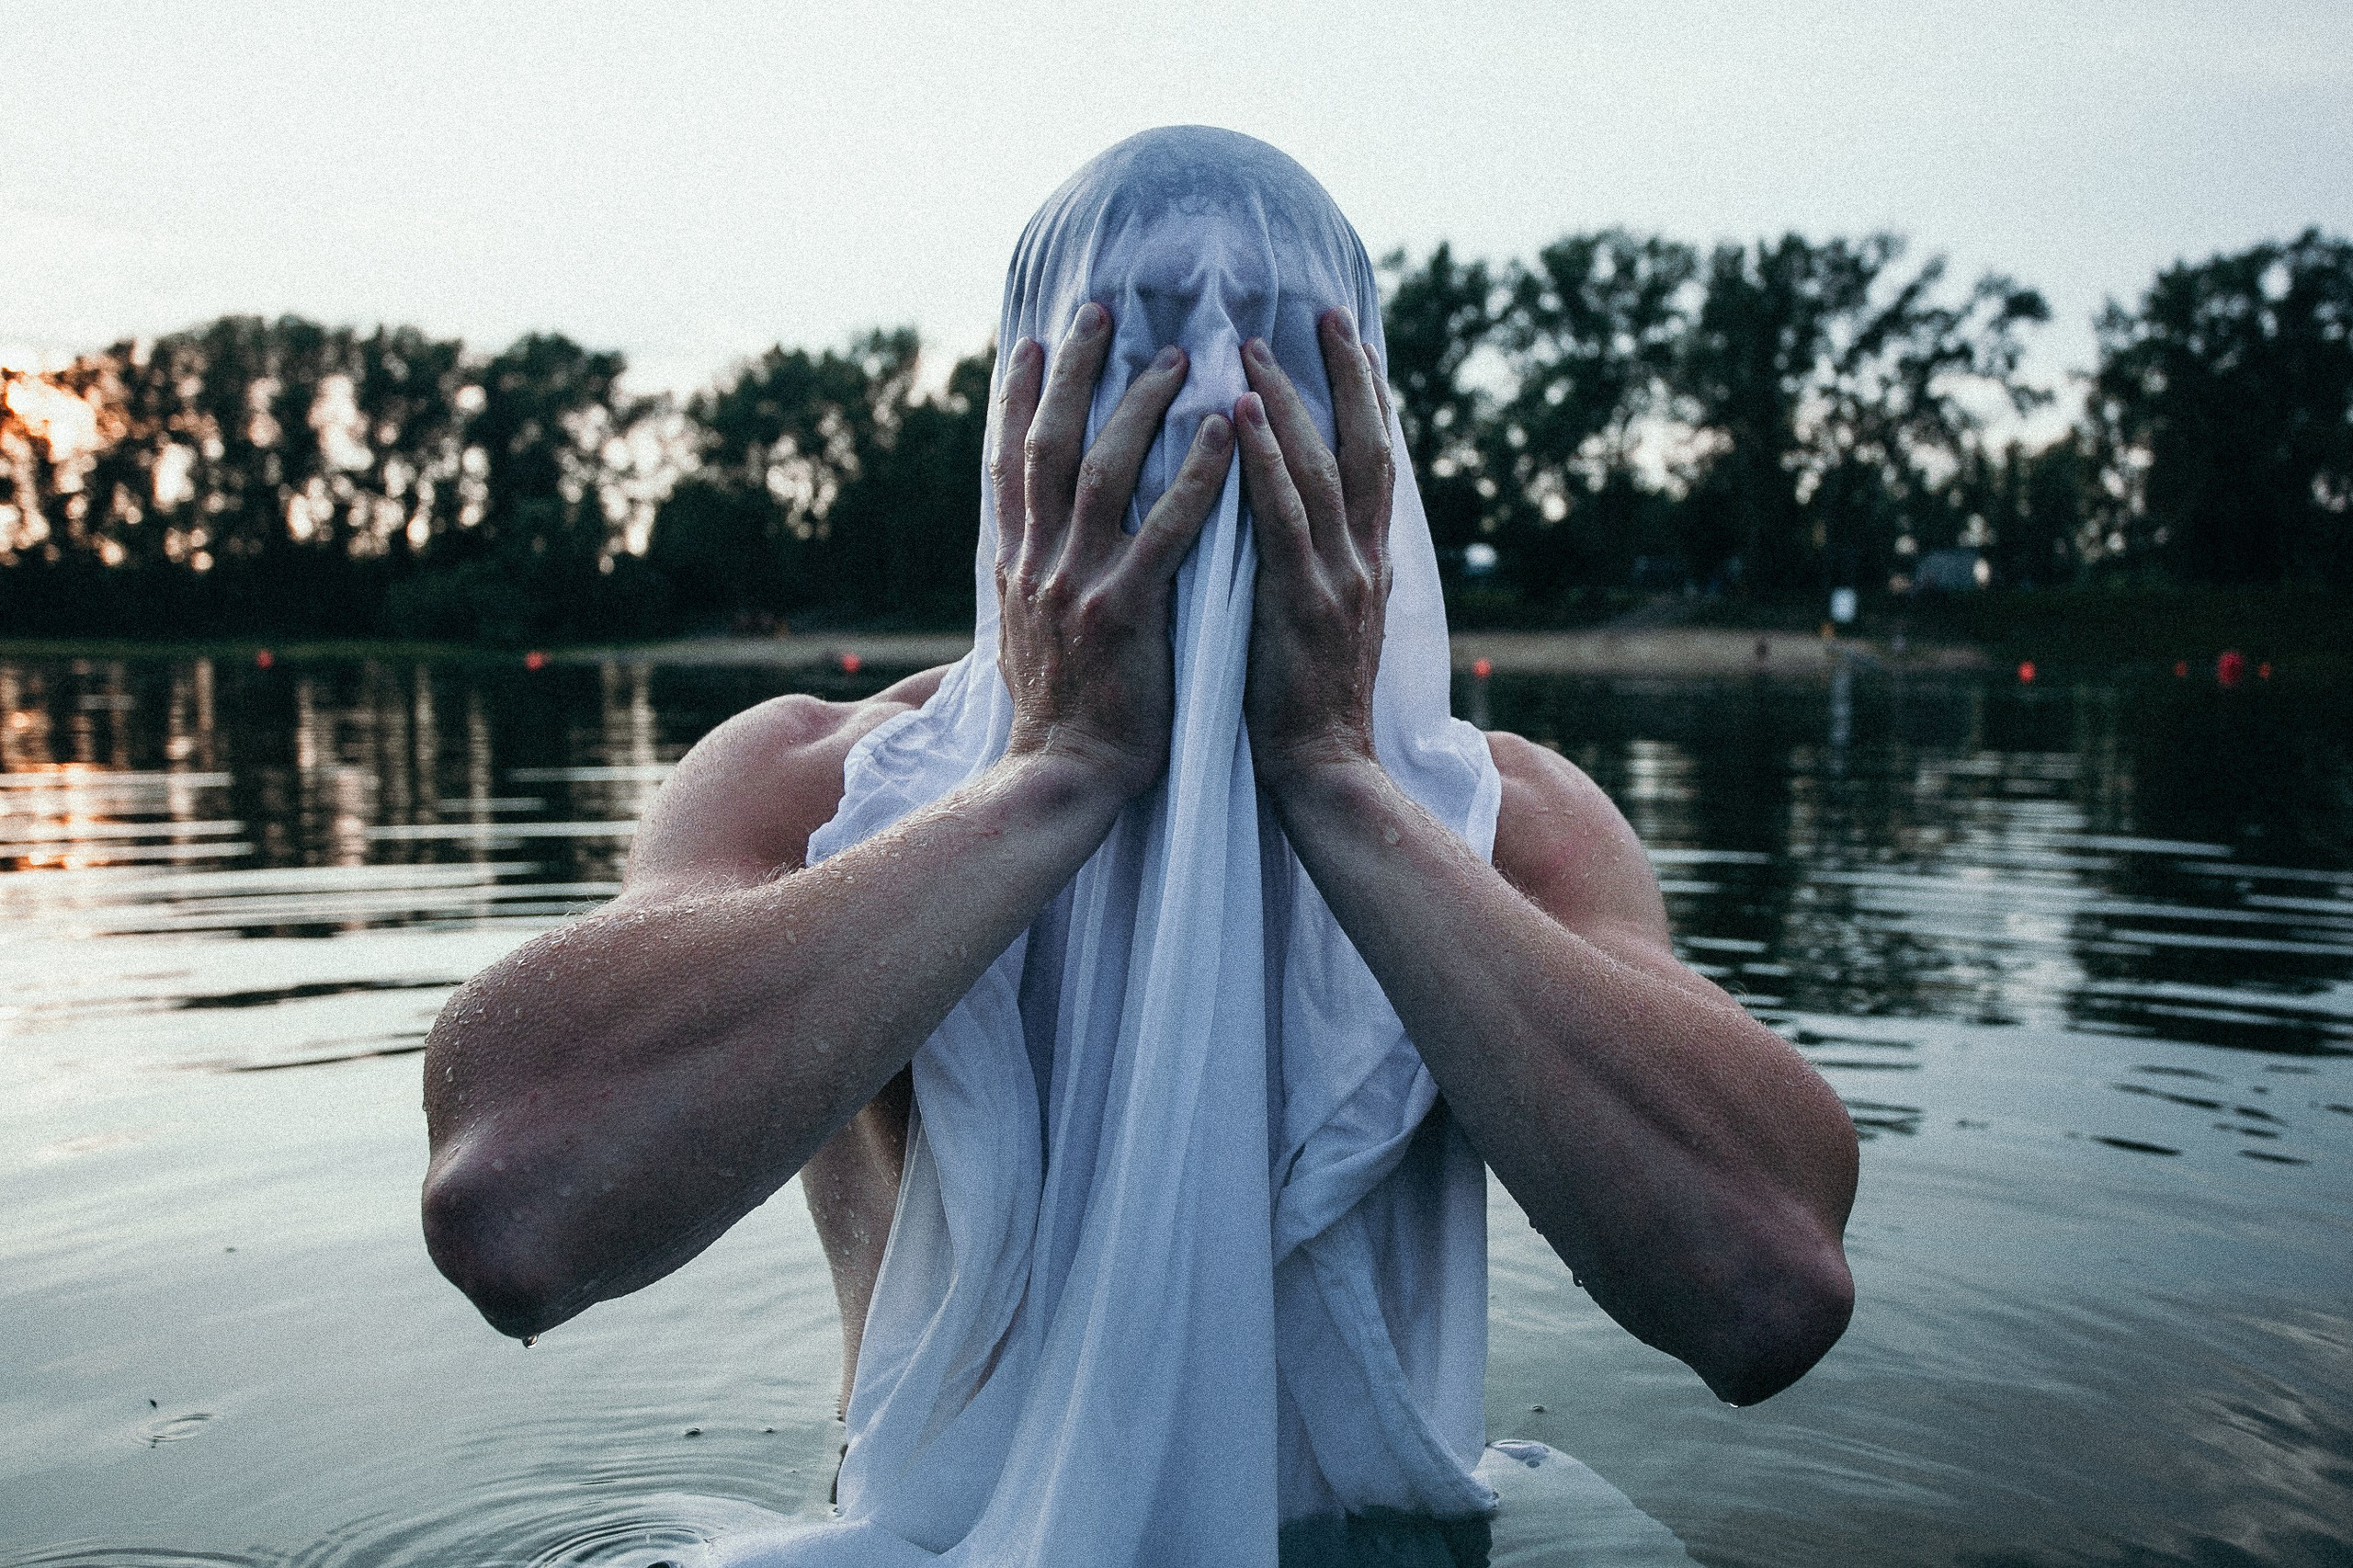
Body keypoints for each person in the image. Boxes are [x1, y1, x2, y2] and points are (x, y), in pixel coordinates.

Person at [420, 129, 1856, 1564]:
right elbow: (514, 1209)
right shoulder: (811, 786)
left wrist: (1338, 784)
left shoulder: (1505, 825)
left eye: (1274, 363)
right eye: (1141, 358)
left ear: (1366, 446)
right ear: (1025, 426)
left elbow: (1771, 1289)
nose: (1212, 412)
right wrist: (1054, 775)